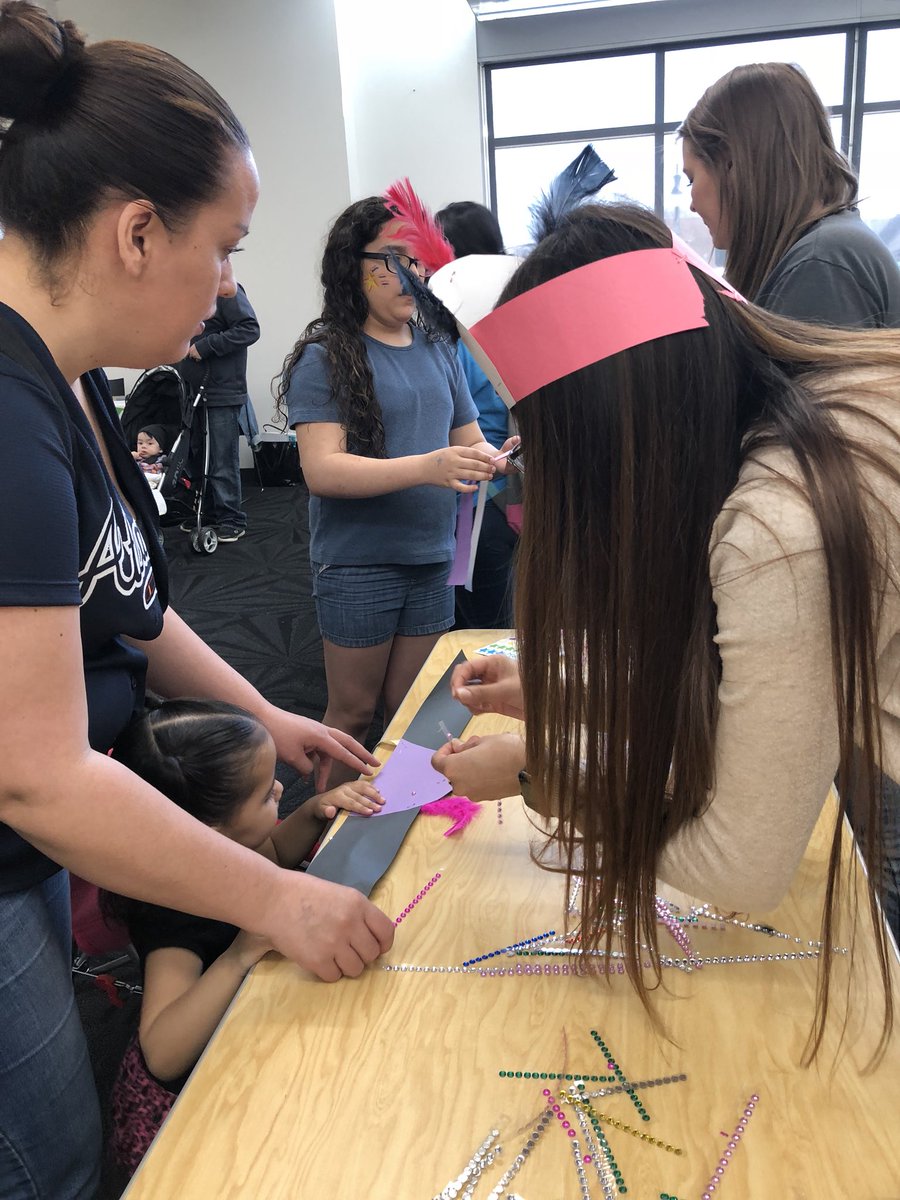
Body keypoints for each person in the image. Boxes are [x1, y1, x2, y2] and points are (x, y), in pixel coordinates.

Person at [0, 7, 392, 1197]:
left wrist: (268, 723)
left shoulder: (66, 383)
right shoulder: (10, 414)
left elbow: (129, 608)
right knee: (52, 1158)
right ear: (135, 233)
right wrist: (277, 899)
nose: (229, 291)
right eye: (225, 248)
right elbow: (35, 770)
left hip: (37, 844)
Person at [432, 202, 900, 1057]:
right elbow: (755, 683)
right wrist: (565, 691)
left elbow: (742, 864)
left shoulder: (780, 526)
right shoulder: (806, 408)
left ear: (625, 436)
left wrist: (545, 772)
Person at [277, 196, 515, 783]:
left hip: (431, 557)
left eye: (421, 258)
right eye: (393, 257)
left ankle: (393, 827)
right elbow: (323, 471)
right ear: (352, 266)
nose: (412, 273)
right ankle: (319, 832)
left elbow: (468, 437)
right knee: (353, 714)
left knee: (411, 712)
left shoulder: (438, 346)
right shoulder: (326, 356)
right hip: (360, 564)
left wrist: (497, 458)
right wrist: (428, 466)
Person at [104, 698, 384, 1175]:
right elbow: (163, 1051)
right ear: (209, 831)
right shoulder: (173, 914)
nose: (280, 787)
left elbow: (271, 853)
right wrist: (242, 951)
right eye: (265, 796)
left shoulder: (226, 843)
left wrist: (315, 811)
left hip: (246, 1021)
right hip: (189, 1112)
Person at [680, 62, 900, 327]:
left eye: (691, 178)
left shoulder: (821, 264)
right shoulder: (827, 248)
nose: (691, 205)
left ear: (731, 164)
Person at [436, 201, 519, 629]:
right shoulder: (508, 323)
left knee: (478, 623)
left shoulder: (460, 337)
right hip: (497, 489)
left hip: (476, 499)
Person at [175, 281, 260, 541]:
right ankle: (209, 512)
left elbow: (249, 329)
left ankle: (231, 518)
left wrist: (206, 346)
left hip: (221, 391)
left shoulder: (226, 291)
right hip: (194, 391)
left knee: (222, 458)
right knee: (200, 456)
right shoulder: (188, 291)